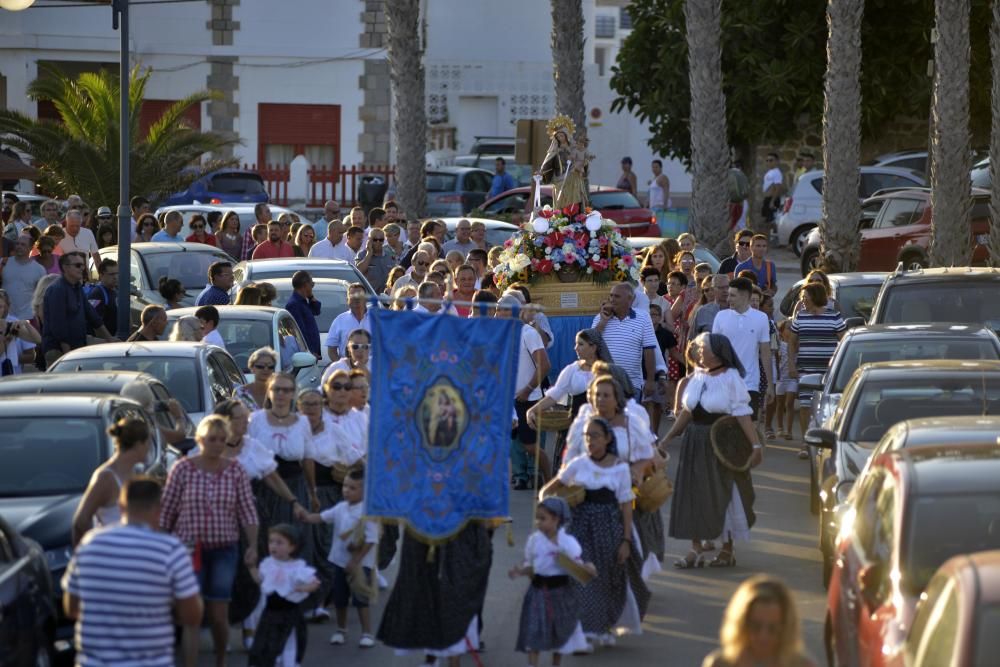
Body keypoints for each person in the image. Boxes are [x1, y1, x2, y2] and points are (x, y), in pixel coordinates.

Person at [62, 477, 203, 667]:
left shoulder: (89, 544)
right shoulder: (170, 550)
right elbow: (191, 616)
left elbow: (71, 608)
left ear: (121, 507)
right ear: (158, 511)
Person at [160, 415, 259, 667]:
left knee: (218, 613)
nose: (217, 444)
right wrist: (161, 547)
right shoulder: (182, 468)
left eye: (221, 440)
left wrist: (253, 546)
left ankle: (221, 660)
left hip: (224, 548)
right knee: (191, 615)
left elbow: (247, 511)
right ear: (201, 440)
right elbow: (167, 510)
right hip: (189, 549)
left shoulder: (235, 470)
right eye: (211, 439)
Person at [660, 333, 763, 569]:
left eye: (701, 347)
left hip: (721, 443)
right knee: (693, 494)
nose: (696, 350)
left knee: (723, 493)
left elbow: (742, 413)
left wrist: (755, 446)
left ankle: (727, 550)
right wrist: (666, 438)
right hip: (694, 444)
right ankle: (694, 549)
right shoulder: (697, 376)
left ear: (716, 352)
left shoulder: (731, 377)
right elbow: (687, 412)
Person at [555, 415, 648, 644]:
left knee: (608, 580)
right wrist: (548, 502)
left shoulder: (619, 469)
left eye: (595, 436)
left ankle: (604, 626)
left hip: (609, 530)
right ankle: (585, 629)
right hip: (580, 528)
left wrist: (626, 540)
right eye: (587, 436)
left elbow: (626, 505)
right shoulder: (578, 464)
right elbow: (553, 486)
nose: (590, 441)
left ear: (607, 439)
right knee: (583, 576)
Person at [510, 497, 593, 664]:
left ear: (556, 519)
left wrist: (587, 568)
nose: (538, 522)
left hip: (561, 594)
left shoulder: (568, 543)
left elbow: (578, 565)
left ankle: (556, 663)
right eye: (537, 518)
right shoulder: (534, 540)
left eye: (543, 518)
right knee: (534, 633)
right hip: (537, 593)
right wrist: (521, 571)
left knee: (559, 635)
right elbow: (530, 563)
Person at [302, 468, 378, 648]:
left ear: (364, 491)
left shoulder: (368, 512)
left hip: (361, 564)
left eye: (352, 488)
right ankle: (341, 629)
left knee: (361, 599)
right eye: (345, 486)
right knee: (340, 597)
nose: (346, 491)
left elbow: (371, 540)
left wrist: (356, 561)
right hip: (338, 560)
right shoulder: (340, 508)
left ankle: (366, 633)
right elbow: (321, 518)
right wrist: (305, 517)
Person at [498, 293, 551, 489]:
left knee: (531, 446)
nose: (499, 314)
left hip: (527, 399)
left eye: (503, 310)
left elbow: (544, 365)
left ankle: (549, 480)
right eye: (498, 310)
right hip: (507, 399)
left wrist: (527, 390)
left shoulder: (528, 333)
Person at [247, 524, 319, 667]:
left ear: (292, 547)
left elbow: (314, 583)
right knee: (265, 642)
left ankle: (288, 663)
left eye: (279, 542)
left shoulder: (297, 567)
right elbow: (261, 580)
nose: (273, 546)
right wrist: (251, 568)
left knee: (288, 642)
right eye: (271, 541)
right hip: (269, 612)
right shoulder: (268, 564)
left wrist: (302, 588)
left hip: (289, 613)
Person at [703, 575, 815, 667]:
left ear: (786, 627)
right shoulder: (719, 664)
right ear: (741, 624)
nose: (763, 636)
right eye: (755, 627)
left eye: (773, 629)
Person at [71, 416, 150, 545]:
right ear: (138, 445)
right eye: (148, 443)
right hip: (110, 556)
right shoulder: (105, 477)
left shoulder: (136, 473)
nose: (149, 448)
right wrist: (91, 553)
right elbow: (81, 521)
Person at [788, 283, 846, 456]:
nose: (803, 300)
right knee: (805, 406)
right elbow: (791, 342)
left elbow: (843, 342)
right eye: (802, 297)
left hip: (829, 372)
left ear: (816, 297)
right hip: (806, 369)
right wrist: (791, 364)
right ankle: (805, 444)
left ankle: (827, 443)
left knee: (828, 407)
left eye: (806, 297)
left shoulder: (834, 317)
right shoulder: (800, 317)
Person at [712, 277, 773, 420]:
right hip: (724, 384)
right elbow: (714, 352)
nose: (728, 299)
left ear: (745, 296)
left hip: (750, 384)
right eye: (728, 295)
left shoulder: (761, 318)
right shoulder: (721, 317)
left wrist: (771, 384)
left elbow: (765, 353)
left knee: (747, 428)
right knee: (724, 427)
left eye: (732, 295)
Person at [41, 252, 114, 365]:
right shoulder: (57, 290)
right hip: (59, 351)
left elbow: (92, 315)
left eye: (83, 265)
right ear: (65, 267)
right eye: (78, 265)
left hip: (77, 346)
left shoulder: (77, 287)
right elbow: (58, 326)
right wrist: (68, 356)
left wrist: (110, 339)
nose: (82, 268)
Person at [592, 283, 659, 401]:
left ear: (630, 299)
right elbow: (590, 343)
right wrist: (603, 322)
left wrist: (650, 380)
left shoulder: (643, 317)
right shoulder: (600, 318)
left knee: (630, 419)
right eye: (611, 296)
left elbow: (649, 350)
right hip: (604, 383)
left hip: (631, 385)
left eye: (617, 296)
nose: (612, 300)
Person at [2, 233, 46, 319]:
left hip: (28, 317)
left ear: (31, 248)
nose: (19, 246)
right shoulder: (3, 263)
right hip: (5, 316)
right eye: (17, 243)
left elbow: (41, 297)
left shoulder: (39, 269)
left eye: (23, 244)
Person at [326, 283, 370, 362]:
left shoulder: (377, 320)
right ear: (347, 300)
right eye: (353, 296)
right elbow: (331, 351)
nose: (356, 299)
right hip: (347, 371)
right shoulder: (339, 320)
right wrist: (343, 366)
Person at [285, 270, 322, 358]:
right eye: (311, 285)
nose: (312, 288)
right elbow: (300, 331)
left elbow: (316, 311)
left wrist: (311, 297)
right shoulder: (294, 305)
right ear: (305, 285)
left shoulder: (303, 302)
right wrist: (310, 351)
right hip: (307, 354)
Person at [771, 320, 798, 441]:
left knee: (789, 403)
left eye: (792, 328)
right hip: (781, 378)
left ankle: (789, 431)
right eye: (788, 328)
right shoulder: (779, 345)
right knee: (780, 404)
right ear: (782, 331)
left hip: (792, 378)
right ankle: (780, 428)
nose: (790, 330)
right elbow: (775, 360)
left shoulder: (797, 345)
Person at [355, 227, 394, 294]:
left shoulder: (390, 255)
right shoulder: (362, 254)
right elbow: (359, 271)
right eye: (375, 239)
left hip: (386, 297)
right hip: (370, 296)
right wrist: (369, 253)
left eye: (381, 240)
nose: (378, 242)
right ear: (369, 240)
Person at [85, 258, 118, 335]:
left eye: (117, 273)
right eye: (112, 274)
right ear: (101, 275)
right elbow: (93, 323)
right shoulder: (97, 293)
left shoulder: (117, 291)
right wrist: (109, 339)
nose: (115, 277)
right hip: (105, 343)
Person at [761, 153, 785, 231]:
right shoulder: (770, 172)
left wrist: (772, 201)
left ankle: (773, 240)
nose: (768, 162)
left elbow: (778, 188)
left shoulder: (777, 173)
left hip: (772, 199)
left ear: (776, 161)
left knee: (771, 223)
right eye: (767, 160)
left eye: (771, 160)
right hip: (768, 199)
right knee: (768, 222)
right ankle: (770, 240)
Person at [648, 159, 672, 236]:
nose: (654, 169)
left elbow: (666, 191)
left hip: (660, 207)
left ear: (661, 168)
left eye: (656, 167)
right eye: (653, 167)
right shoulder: (654, 178)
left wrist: (665, 205)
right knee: (655, 227)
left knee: (661, 228)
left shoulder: (663, 177)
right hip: (654, 207)